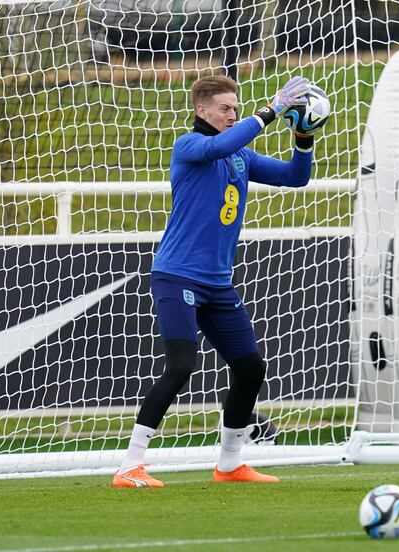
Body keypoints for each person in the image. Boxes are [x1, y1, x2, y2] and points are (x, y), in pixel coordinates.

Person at [112, 74, 314, 488]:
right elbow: (220, 144)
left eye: (235, 109)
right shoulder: (189, 147)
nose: (231, 115)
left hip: (218, 284)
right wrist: (271, 110)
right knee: (182, 365)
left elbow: (296, 178)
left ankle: (230, 465)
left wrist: (304, 137)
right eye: (225, 108)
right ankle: (129, 466)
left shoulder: (239, 156)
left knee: (251, 368)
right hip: (177, 276)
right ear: (201, 110)